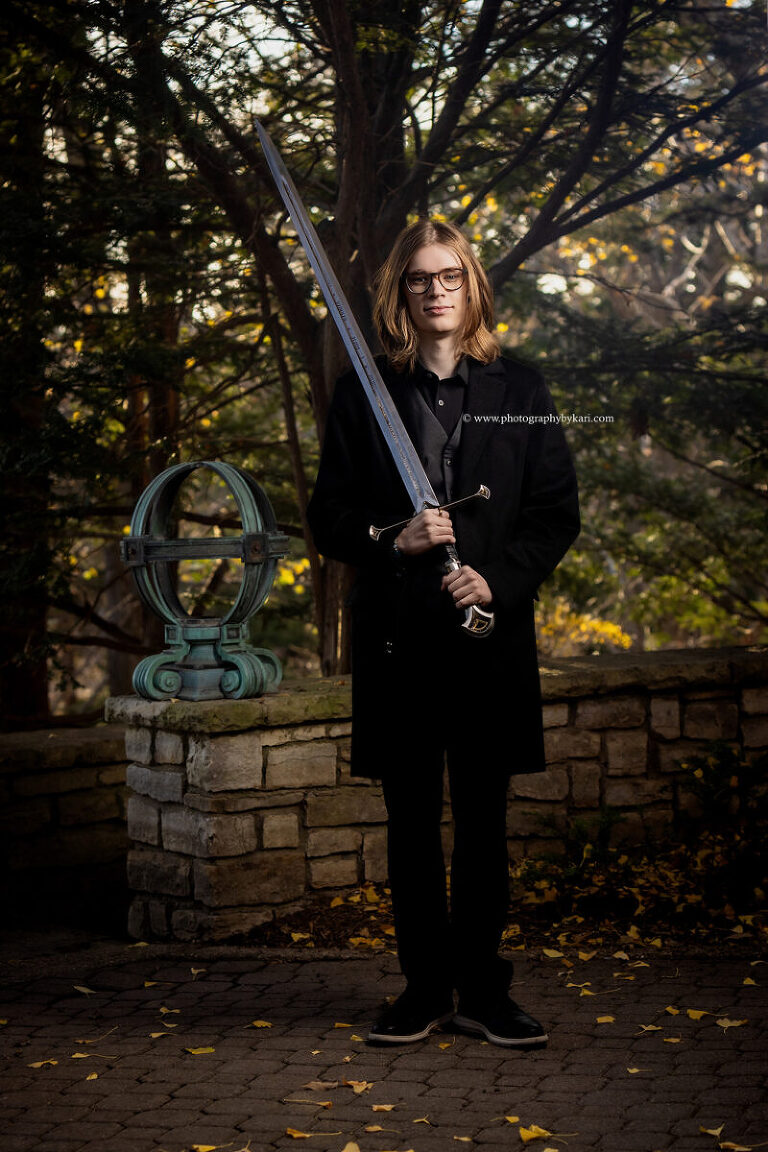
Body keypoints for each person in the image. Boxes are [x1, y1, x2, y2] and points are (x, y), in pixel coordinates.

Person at [306, 219, 580, 1048]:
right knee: (413, 822)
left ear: (472, 288)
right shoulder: (367, 394)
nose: (435, 291)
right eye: (421, 279)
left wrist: (497, 575)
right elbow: (330, 516)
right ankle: (424, 987)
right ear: (402, 294)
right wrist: (397, 538)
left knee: (485, 822)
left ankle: (484, 991)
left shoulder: (521, 391)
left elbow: (553, 514)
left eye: (449, 277)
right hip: (401, 642)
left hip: (487, 635)